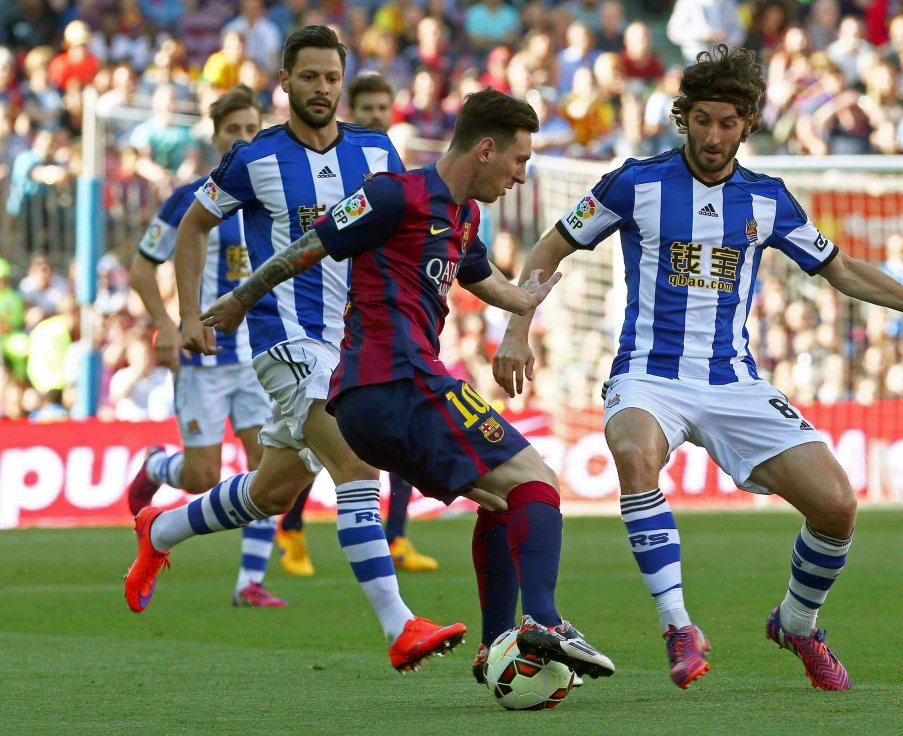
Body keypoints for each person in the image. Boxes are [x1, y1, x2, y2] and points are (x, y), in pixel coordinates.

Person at [492, 45, 903, 691]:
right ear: (683, 118)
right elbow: (552, 244)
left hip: (733, 380)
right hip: (648, 373)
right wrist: (518, 324)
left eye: (727, 123)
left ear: (748, 124)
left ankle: (799, 623)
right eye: (701, 120)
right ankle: (679, 626)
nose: (713, 135)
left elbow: (840, 269)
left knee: (837, 506)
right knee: (635, 454)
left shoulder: (769, 199)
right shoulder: (633, 182)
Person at [199, 88, 616, 681]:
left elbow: (483, 279)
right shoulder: (394, 194)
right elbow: (308, 247)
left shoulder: (464, 217)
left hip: (379, 400)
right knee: (538, 481)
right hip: (396, 379)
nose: (522, 176)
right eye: (519, 161)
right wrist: (241, 299)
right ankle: (543, 619)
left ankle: (497, 645)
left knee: (501, 500)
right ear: (487, 149)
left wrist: (524, 306)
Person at [124, 26, 465, 673]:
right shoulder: (256, 158)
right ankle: (400, 626)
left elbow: (402, 234)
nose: (322, 89)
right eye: (309, 77)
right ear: (285, 82)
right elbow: (194, 225)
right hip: (285, 340)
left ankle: (160, 529)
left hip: (351, 344)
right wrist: (190, 314)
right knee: (357, 468)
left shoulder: (376, 153)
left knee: (274, 490)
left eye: (331, 78)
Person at [126, 83, 300, 607]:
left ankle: (249, 582)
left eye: (253, 129)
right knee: (202, 475)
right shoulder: (188, 199)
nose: (244, 139)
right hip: (203, 355)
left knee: (267, 473)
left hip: (260, 356)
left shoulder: (277, 193)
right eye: (234, 131)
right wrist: (167, 323)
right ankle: (157, 465)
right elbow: (140, 269)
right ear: (216, 137)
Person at [344, 72, 439, 573]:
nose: (378, 118)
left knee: (402, 430)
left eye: (385, 108)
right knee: (317, 446)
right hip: (330, 313)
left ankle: (397, 536)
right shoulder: (340, 163)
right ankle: (290, 530)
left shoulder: (394, 168)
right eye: (368, 109)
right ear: (350, 111)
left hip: (378, 311)